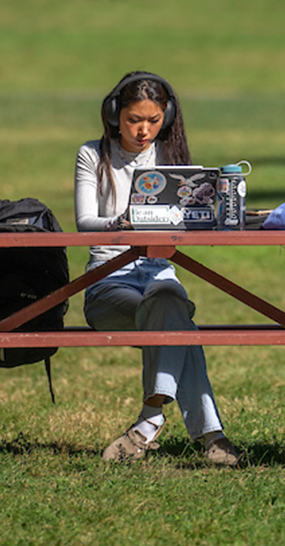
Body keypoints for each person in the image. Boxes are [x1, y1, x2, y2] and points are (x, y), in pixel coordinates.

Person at [74, 70, 242, 465]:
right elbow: (85, 222)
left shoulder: (172, 156)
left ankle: (149, 421)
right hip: (108, 276)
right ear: (115, 115)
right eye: (135, 120)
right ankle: (211, 437)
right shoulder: (92, 154)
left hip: (159, 273)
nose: (144, 130)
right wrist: (121, 224)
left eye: (153, 120)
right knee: (181, 327)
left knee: (170, 299)